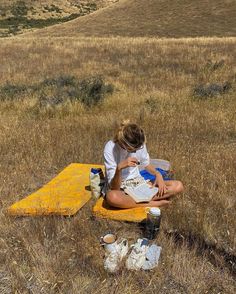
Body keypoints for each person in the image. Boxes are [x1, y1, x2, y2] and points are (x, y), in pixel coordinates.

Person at [103, 120, 184, 208]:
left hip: (138, 183)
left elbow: (146, 165)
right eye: (133, 150)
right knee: (112, 197)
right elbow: (114, 188)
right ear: (124, 144)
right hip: (121, 188)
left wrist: (158, 174)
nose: (136, 151)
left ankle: (134, 201)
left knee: (178, 186)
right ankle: (152, 203)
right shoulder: (110, 148)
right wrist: (119, 168)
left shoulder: (138, 143)